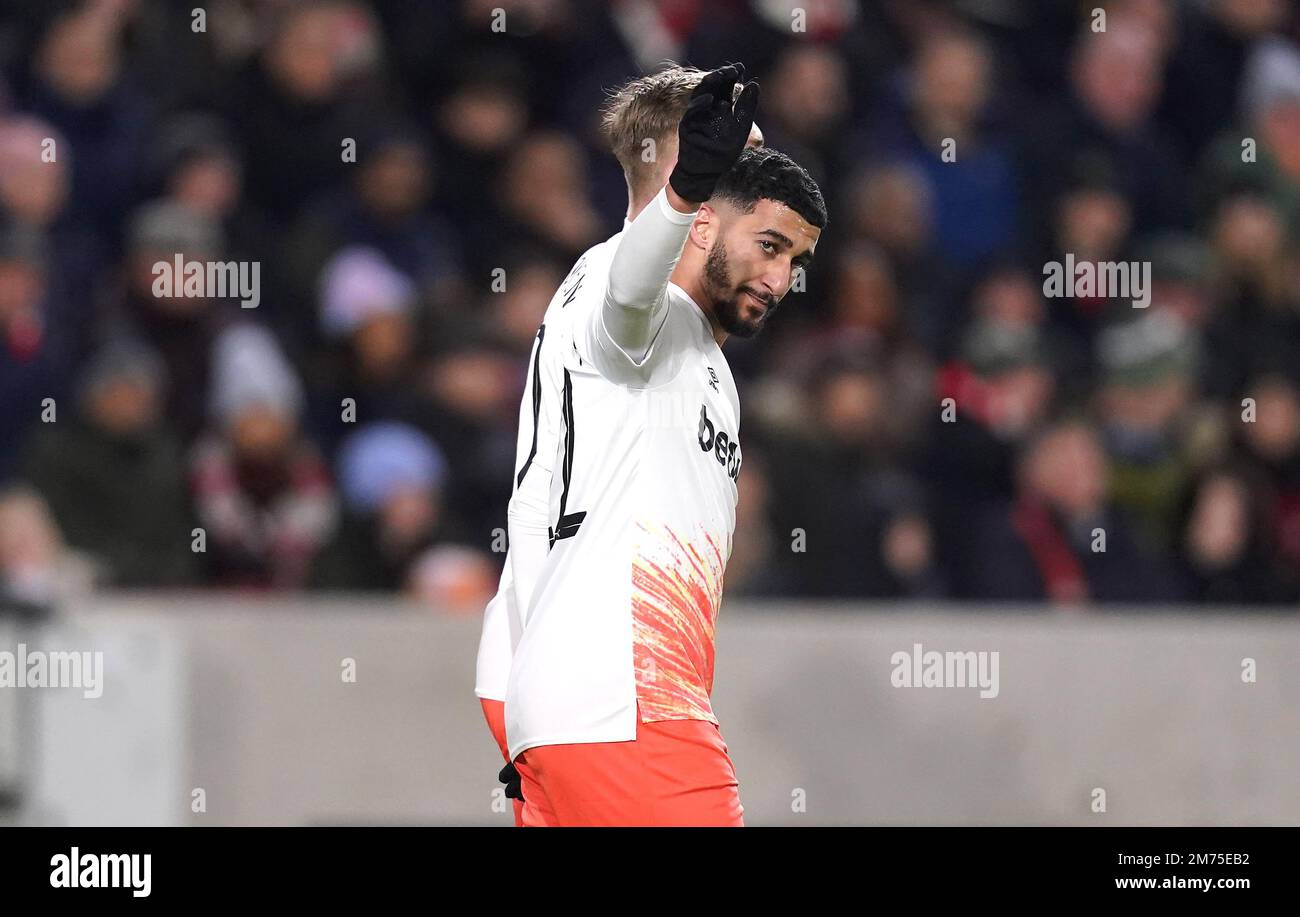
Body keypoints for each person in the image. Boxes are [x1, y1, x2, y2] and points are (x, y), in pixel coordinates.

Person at [503, 64, 825, 826]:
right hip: (627, 697)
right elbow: (628, 299)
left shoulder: (697, 352)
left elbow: (533, 529)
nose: (781, 281)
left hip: (588, 705)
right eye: (726, 156)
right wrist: (682, 195)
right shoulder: (614, 289)